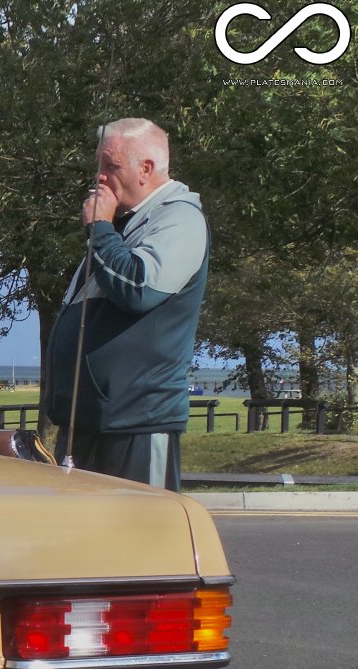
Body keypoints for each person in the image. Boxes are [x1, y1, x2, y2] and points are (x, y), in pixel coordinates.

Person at [46, 118, 210, 491]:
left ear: (145, 169)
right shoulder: (124, 224)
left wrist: (99, 229)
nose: (100, 177)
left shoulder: (180, 218)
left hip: (136, 422)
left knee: (142, 525)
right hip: (89, 421)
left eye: (111, 166)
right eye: (98, 165)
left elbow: (138, 287)